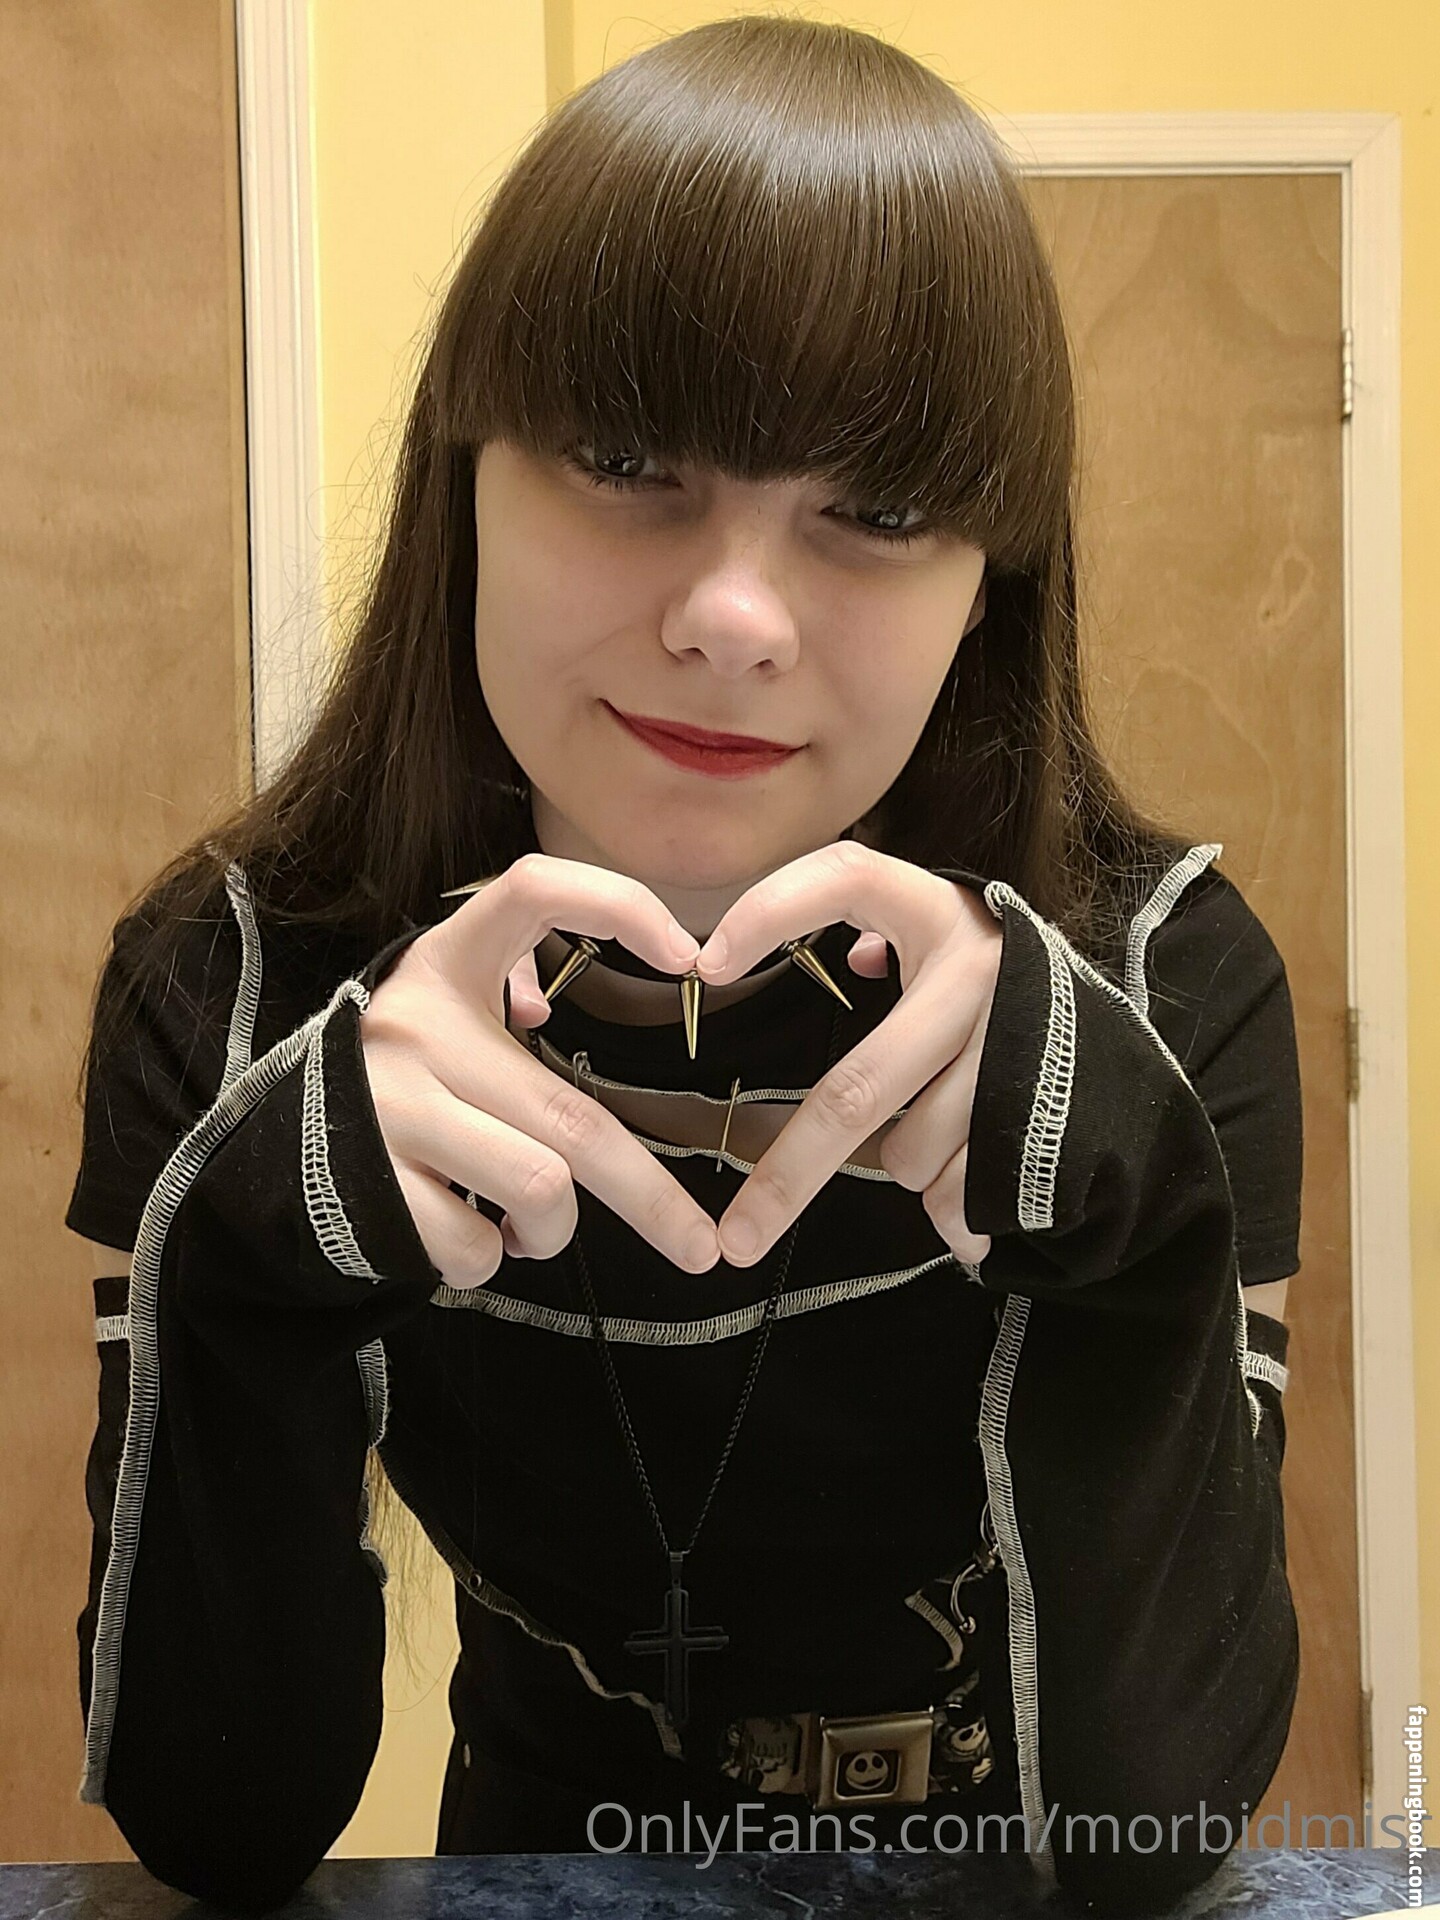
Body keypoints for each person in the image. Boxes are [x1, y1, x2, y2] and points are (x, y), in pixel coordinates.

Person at [66, 15, 1303, 1917]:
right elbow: (215, 1829)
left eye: (878, 512)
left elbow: (1165, 1823)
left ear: (990, 577)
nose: (733, 617)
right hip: (541, 1875)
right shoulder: (235, 983)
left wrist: (1132, 1234)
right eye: (627, 456)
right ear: (466, 476)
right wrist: (243, 1270)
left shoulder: (1162, 973)